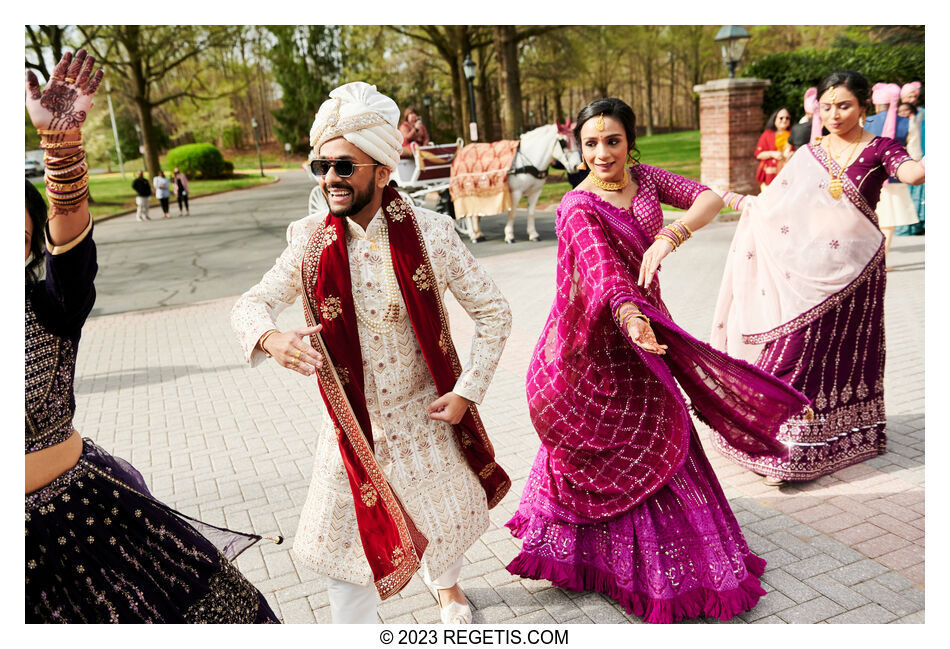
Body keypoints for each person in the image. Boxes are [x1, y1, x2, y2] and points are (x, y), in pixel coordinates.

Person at [505, 97, 811, 623]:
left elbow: (708, 197)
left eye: (613, 141)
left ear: (629, 141)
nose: (602, 153)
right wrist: (630, 318)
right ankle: (596, 559)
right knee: (609, 443)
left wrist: (671, 234)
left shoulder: (644, 178)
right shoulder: (577, 206)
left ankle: (677, 556)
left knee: (662, 430)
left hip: (648, 324)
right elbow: (603, 273)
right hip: (597, 342)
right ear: (578, 148)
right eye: (591, 143)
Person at [231, 82, 512, 624]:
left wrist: (466, 392)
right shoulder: (309, 239)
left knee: (442, 521)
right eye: (321, 166)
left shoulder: (432, 234)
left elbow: (495, 313)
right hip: (349, 426)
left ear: (383, 171)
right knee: (344, 552)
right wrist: (270, 337)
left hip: (425, 415)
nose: (329, 178)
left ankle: (447, 587)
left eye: (344, 166)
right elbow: (254, 301)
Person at [25, 49, 279, 623]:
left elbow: (68, 252)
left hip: (88, 519)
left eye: (17, 240)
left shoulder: (45, 308)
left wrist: (61, 148)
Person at [709, 70, 925, 485]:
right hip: (807, 270)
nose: (834, 114)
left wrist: (922, 164)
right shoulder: (811, 151)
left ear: (863, 106)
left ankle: (848, 434)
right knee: (795, 351)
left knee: (846, 354)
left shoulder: (880, 147)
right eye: (827, 106)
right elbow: (779, 204)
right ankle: (781, 441)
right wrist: (742, 203)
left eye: (844, 105)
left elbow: (910, 173)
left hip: (857, 271)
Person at [864, 83, 917, 269]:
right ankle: (881, 259)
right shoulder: (905, 121)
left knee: (871, 218)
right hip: (895, 177)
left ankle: (871, 258)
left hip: (869, 177)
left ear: (877, 105)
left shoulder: (867, 121)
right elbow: (913, 151)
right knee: (889, 222)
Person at [896, 81, 925, 236]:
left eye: (914, 96)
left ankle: (919, 224)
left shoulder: (922, 113)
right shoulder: (896, 115)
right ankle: (906, 226)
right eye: (909, 96)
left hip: (919, 155)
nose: (912, 99)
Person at [754, 107, 793, 190]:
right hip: (770, 174)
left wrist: (793, 154)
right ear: (774, 119)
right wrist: (772, 154)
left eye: (787, 118)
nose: (784, 120)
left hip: (788, 172)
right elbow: (758, 154)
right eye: (781, 118)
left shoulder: (793, 134)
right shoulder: (767, 135)